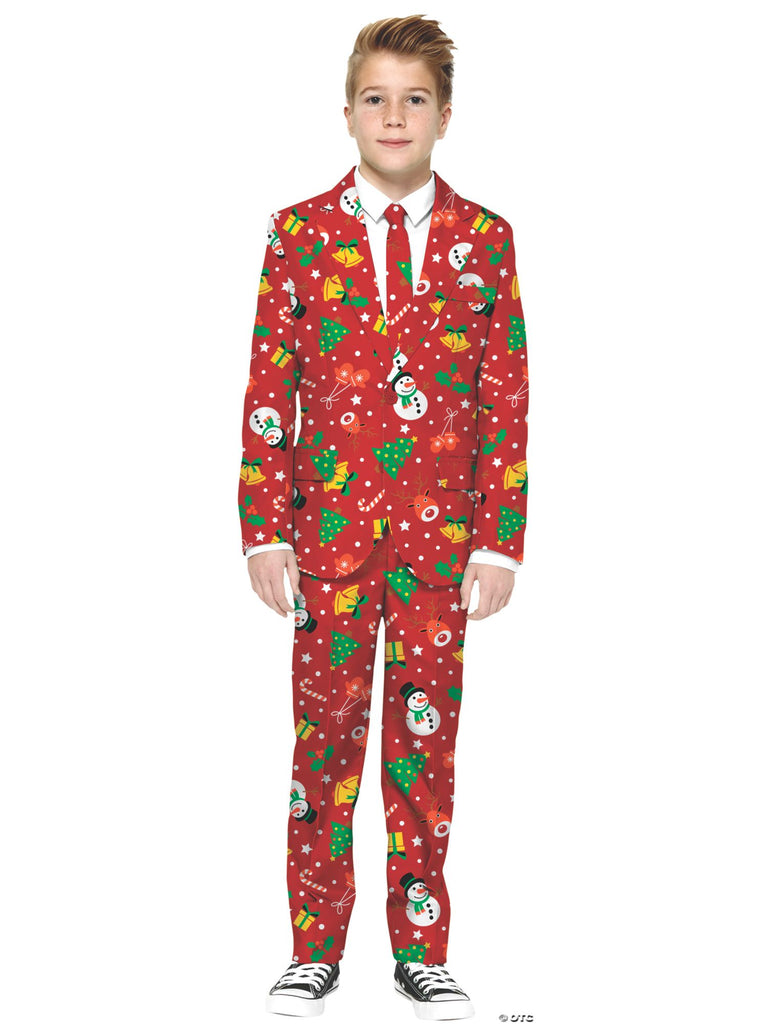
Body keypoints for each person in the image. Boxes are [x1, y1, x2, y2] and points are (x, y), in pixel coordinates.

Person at [237, 14, 529, 1019]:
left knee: (424, 752)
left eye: (414, 100)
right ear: (348, 112)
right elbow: (269, 387)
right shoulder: (297, 234)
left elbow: (505, 395)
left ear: (445, 116)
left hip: (439, 548)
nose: (394, 116)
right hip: (326, 542)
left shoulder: (486, 240)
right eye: (376, 98)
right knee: (321, 747)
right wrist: (263, 525)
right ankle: (312, 948)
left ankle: (421, 951)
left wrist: (499, 540)